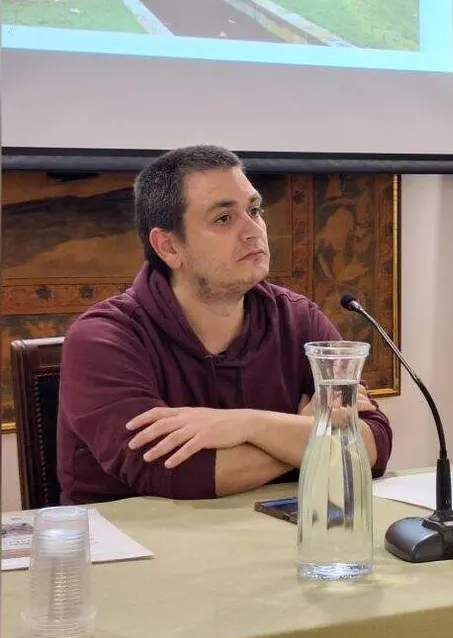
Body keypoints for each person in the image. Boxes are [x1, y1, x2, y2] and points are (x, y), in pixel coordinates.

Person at [57, 145, 393, 505]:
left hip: (269, 541)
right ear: (168, 247)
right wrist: (311, 431)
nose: (254, 231)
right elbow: (176, 475)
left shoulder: (298, 319)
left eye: (254, 210)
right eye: (224, 219)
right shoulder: (102, 340)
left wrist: (251, 424)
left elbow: (373, 445)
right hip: (138, 550)